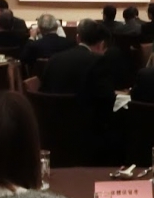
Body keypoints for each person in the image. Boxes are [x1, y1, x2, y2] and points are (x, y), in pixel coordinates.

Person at [42, 20, 118, 162]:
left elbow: (43, 93)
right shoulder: (98, 61)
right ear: (102, 44)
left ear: (78, 38)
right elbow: (107, 100)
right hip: (88, 136)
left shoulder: (54, 59)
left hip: (52, 132)